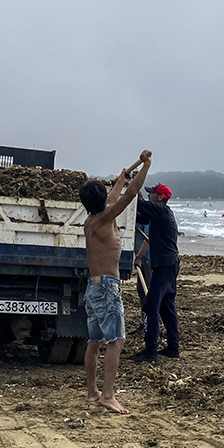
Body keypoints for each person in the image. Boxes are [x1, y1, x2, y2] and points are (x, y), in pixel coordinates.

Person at [79, 149, 152, 415]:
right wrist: (147, 166)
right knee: (116, 341)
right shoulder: (104, 219)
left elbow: (115, 195)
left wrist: (120, 178)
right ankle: (107, 395)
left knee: (95, 341)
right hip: (107, 286)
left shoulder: (91, 220)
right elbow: (131, 194)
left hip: (93, 287)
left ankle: (92, 391)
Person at [133, 182, 180, 361]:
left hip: (165, 267)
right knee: (166, 307)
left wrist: (133, 186)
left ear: (160, 197)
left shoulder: (160, 211)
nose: (150, 195)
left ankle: (151, 350)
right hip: (169, 265)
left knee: (151, 306)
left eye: (152, 193)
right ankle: (173, 347)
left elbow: (138, 204)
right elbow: (140, 216)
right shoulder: (162, 213)